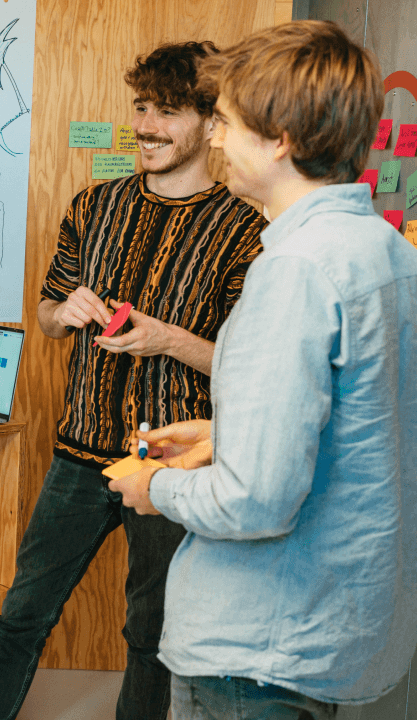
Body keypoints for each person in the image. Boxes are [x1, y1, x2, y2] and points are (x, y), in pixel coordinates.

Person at [110, 20, 416, 720]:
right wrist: (225, 435)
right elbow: (365, 424)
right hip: (331, 630)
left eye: (226, 122)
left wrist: (154, 486)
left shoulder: (294, 272)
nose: (216, 140)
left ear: (278, 139)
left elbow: (253, 501)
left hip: (255, 649)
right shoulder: (386, 251)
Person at [0, 42, 268, 720]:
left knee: (150, 635)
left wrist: (167, 339)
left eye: (169, 111)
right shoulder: (93, 204)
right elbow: (46, 316)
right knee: (22, 614)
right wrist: (61, 312)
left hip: (171, 465)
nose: (147, 127)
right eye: (142, 107)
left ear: (210, 123)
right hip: (80, 452)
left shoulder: (245, 230)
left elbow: (248, 366)